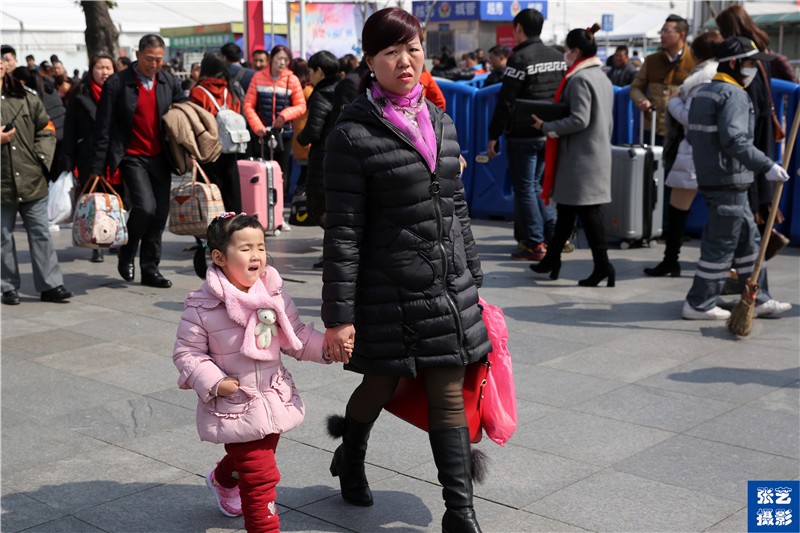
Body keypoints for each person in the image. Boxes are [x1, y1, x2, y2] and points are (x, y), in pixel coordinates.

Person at [322, 8, 491, 533]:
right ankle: (351, 455)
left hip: (448, 285)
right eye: (390, 51)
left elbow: (456, 207)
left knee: (446, 392)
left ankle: (459, 513)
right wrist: (339, 317)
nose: (405, 59)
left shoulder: (440, 120)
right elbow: (343, 232)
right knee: (381, 382)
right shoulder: (351, 135)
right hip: (388, 287)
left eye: (412, 47)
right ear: (370, 61)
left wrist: (474, 277)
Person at [173, 212, 339, 532]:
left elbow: (297, 336)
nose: (257, 256)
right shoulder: (202, 306)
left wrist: (327, 348)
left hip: (273, 396)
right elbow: (187, 352)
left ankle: (222, 480)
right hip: (236, 401)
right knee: (261, 475)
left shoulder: (273, 294)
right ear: (219, 257)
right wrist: (216, 382)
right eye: (246, 248)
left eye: (261, 247)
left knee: (251, 458)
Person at [681, 37, 791, 320]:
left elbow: (695, 136)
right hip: (728, 179)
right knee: (721, 244)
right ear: (734, 63)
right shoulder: (734, 95)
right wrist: (767, 165)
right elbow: (735, 140)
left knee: (748, 242)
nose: (754, 69)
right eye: (751, 63)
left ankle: (758, 297)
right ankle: (699, 303)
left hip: (721, 178)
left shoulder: (704, 92)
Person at [91, 34, 185, 289]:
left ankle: (150, 269)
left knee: (159, 214)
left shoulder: (168, 81)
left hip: (161, 157)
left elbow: (182, 112)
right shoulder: (118, 83)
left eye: (159, 59)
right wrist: (97, 168)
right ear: (138, 55)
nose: (154, 64)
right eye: (149, 59)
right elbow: (104, 127)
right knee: (144, 207)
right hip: (131, 156)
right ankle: (127, 250)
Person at [529, 24, 615, 287]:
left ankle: (603, 266)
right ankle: (552, 260)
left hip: (581, 158)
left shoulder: (579, 79)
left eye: (566, 50)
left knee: (590, 215)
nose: (564, 54)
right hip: (592, 154)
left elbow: (579, 119)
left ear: (575, 51)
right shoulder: (600, 76)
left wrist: (547, 127)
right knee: (567, 211)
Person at [487, 8, 564, 261]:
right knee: (539, 187)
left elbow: (507, 100)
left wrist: (493, 134)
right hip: (551, 131)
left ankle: (534, 242)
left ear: (518, 28)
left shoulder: (519, 59)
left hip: (523, 134)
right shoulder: (558, 56)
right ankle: (554, 235)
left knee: (526, 188)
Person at [644, 31, 723, 278]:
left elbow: (692, 116)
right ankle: (723, 265)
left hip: (693, 150)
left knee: (678, 210)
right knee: (720, 211)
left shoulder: (701, 77)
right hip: (715, 152)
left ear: (696, 53)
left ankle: (671, 261)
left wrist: (673, 102)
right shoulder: (722, 74)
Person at [716, 4, 789, 261]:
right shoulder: (762, 51)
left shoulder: (745, 55)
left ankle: (754, 249)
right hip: (763, 125)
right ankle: (761, 242)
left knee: (750, 187)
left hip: (752, 125)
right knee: (758, 187)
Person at [1, 57, 73, 305]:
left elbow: (47, 128)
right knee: (2, 236)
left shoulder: (25, 96)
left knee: (41, 232)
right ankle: (8, 287)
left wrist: (41, 159)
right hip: (2, 183)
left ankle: (51, 285)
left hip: (31, 178)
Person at [61, 51, 122, 264]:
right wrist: (68, 157)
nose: (104, 72)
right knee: (94, 200)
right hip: (89, 154)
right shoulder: (80, 93)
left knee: (117, 199)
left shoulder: (120, 90)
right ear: (91, 69)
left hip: (116, 154)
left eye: (108, 68)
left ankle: (114, 235)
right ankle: (96, 243)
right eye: (100, 67)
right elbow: (70, 128)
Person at [244, 44, 306, 194]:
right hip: (262, 134)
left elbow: (301, 106)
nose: (282, 62)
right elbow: (248, 105)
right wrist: (257, 126)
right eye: (279, 58)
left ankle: (278, 207)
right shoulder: (258, 77)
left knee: (281, 172)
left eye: (286, 59)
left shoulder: (292, 79)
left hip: (283, 134)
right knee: (261, 171)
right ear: (271, 59)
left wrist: (284, 115)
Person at [630, 15, 696, 144]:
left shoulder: (693, 61)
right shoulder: (651, 60)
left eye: (667, 31)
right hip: (651, 129)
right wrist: (641, 101)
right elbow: (635, 87)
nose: (662, 35)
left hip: (681, 131)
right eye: (661, 31)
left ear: (681, 35)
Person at [190, 52, 243, 213]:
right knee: (232, 192)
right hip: (230, 148)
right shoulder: (230, 90)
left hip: (208, 151)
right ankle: (234, 229)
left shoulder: (198, 92)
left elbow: (195, 121)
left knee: (209, 194)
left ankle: (212, 232)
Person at [296, 50, 340, 233]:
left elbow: (314, 130)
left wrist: (300, 138)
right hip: (340, 153)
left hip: (322, 156)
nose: (309, 77)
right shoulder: (342, 88)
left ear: (319, 71)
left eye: (311, 72)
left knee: (319, 207)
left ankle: (334, 249)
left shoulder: (321, 94)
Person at [289, 57, 313, 199]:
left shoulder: (293, 89)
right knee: (304, 173)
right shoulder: (308, 90)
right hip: (304, 135)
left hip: (295, 134)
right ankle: (298, 198)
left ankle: (293, 196)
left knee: (298, 171)